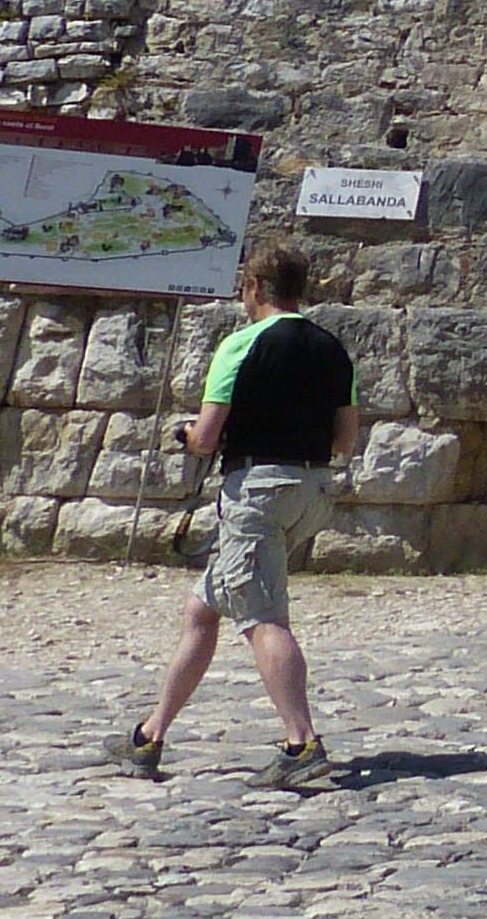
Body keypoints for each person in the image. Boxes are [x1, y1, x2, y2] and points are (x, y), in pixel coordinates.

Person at [111, 246, 363, 790]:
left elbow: (204, 438)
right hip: (313, 488)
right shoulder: (333, 348)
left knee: (263, 615)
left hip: (257, 491)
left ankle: (302, 743)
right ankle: (149, 736)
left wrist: (185, 435)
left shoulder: (239, 345)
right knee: (202, 607)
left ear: (254, 288)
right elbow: (345, 440)